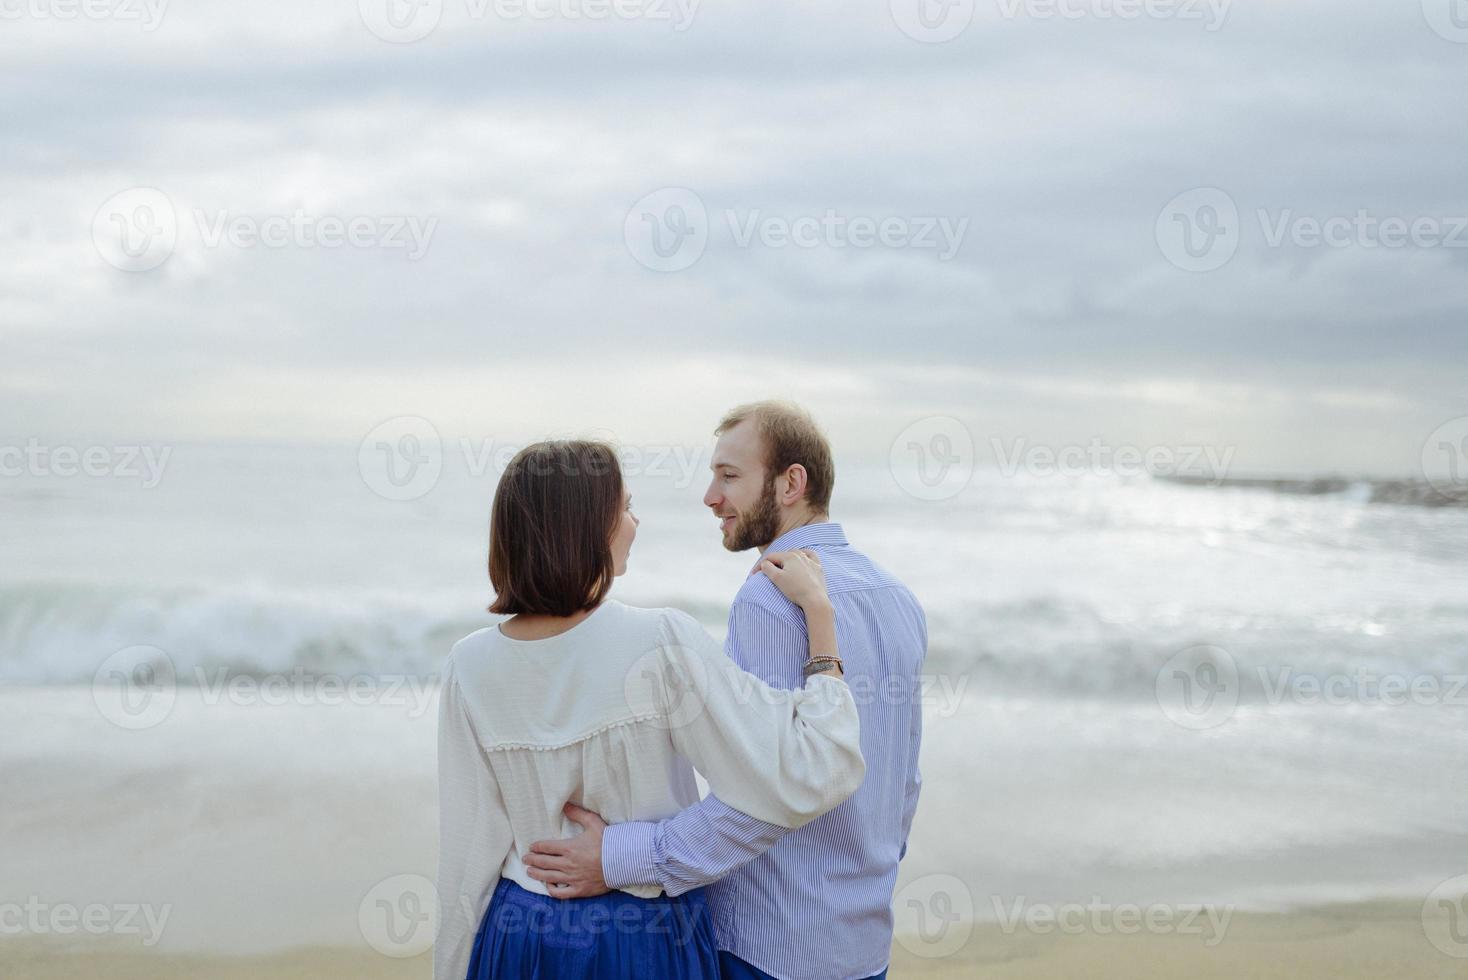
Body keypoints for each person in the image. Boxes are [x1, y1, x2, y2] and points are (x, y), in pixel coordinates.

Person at [434, 438, 866, 980]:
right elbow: (807, 771)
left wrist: (451, 967)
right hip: (645, 934)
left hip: (518, 933)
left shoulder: (469, 664)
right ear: (589, 527)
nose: (635, 524)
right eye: (626, 508)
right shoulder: (660, 641)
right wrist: (821, 631)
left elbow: (465, 862)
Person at [524, 402, 927, 980]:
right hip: (863, 945)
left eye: (729, 476)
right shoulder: (896, 597)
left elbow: (762, 794)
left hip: (770, 947)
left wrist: (622, 856)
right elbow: (904, 781)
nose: (711, 496)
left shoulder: (769, 598)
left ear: (792, 482)